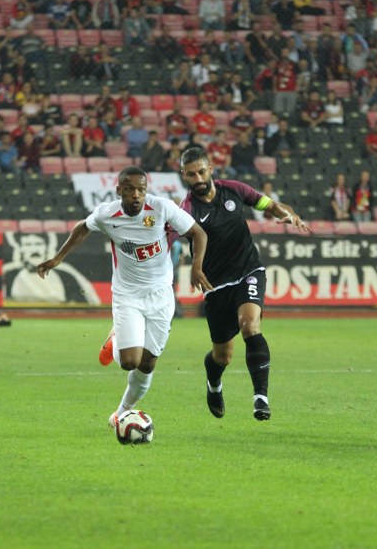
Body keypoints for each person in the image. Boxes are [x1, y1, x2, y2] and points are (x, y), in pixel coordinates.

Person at [37, 167, 211, 428]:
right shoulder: (108, 214)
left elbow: (199, 233)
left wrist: (196, 267)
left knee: (148, 364)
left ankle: (120, 414)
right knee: (130, 361)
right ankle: (116, 337)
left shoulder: (161, 208)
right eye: (129, 189)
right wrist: (58, 258)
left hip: (161, 295)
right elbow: (82, 228)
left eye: (141, 189)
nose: (136, 195)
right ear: (119, 190)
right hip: (128, 294)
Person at [178, 146, 311, 421]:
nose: (198, 178)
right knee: (222, 356)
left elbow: (268, 204)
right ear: (184, 176)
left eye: (202, 171)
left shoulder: (235, 190)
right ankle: (214, 384)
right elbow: (173, 240)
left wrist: (288, 213)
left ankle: (260, 397)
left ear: (211, 169)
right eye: (191, 174)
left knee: (250, 324)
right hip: (216, 286)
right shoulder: (186, 209)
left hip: (249, 269)